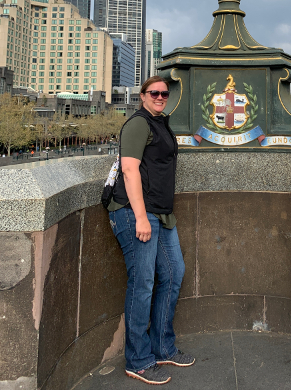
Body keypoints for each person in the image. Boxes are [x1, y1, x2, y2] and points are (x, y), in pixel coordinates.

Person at [108, 75, 194, 385]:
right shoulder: (138, 124)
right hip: (135, 214)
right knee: (143, 283)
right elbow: (130, 170)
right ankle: (139, 360)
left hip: (162, 215)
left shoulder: (160, 123)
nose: (160, 97)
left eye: (164, 93)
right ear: (143, 96)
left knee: (173, 274)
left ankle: (162, 347)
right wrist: (142, 218)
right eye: (154, 93)